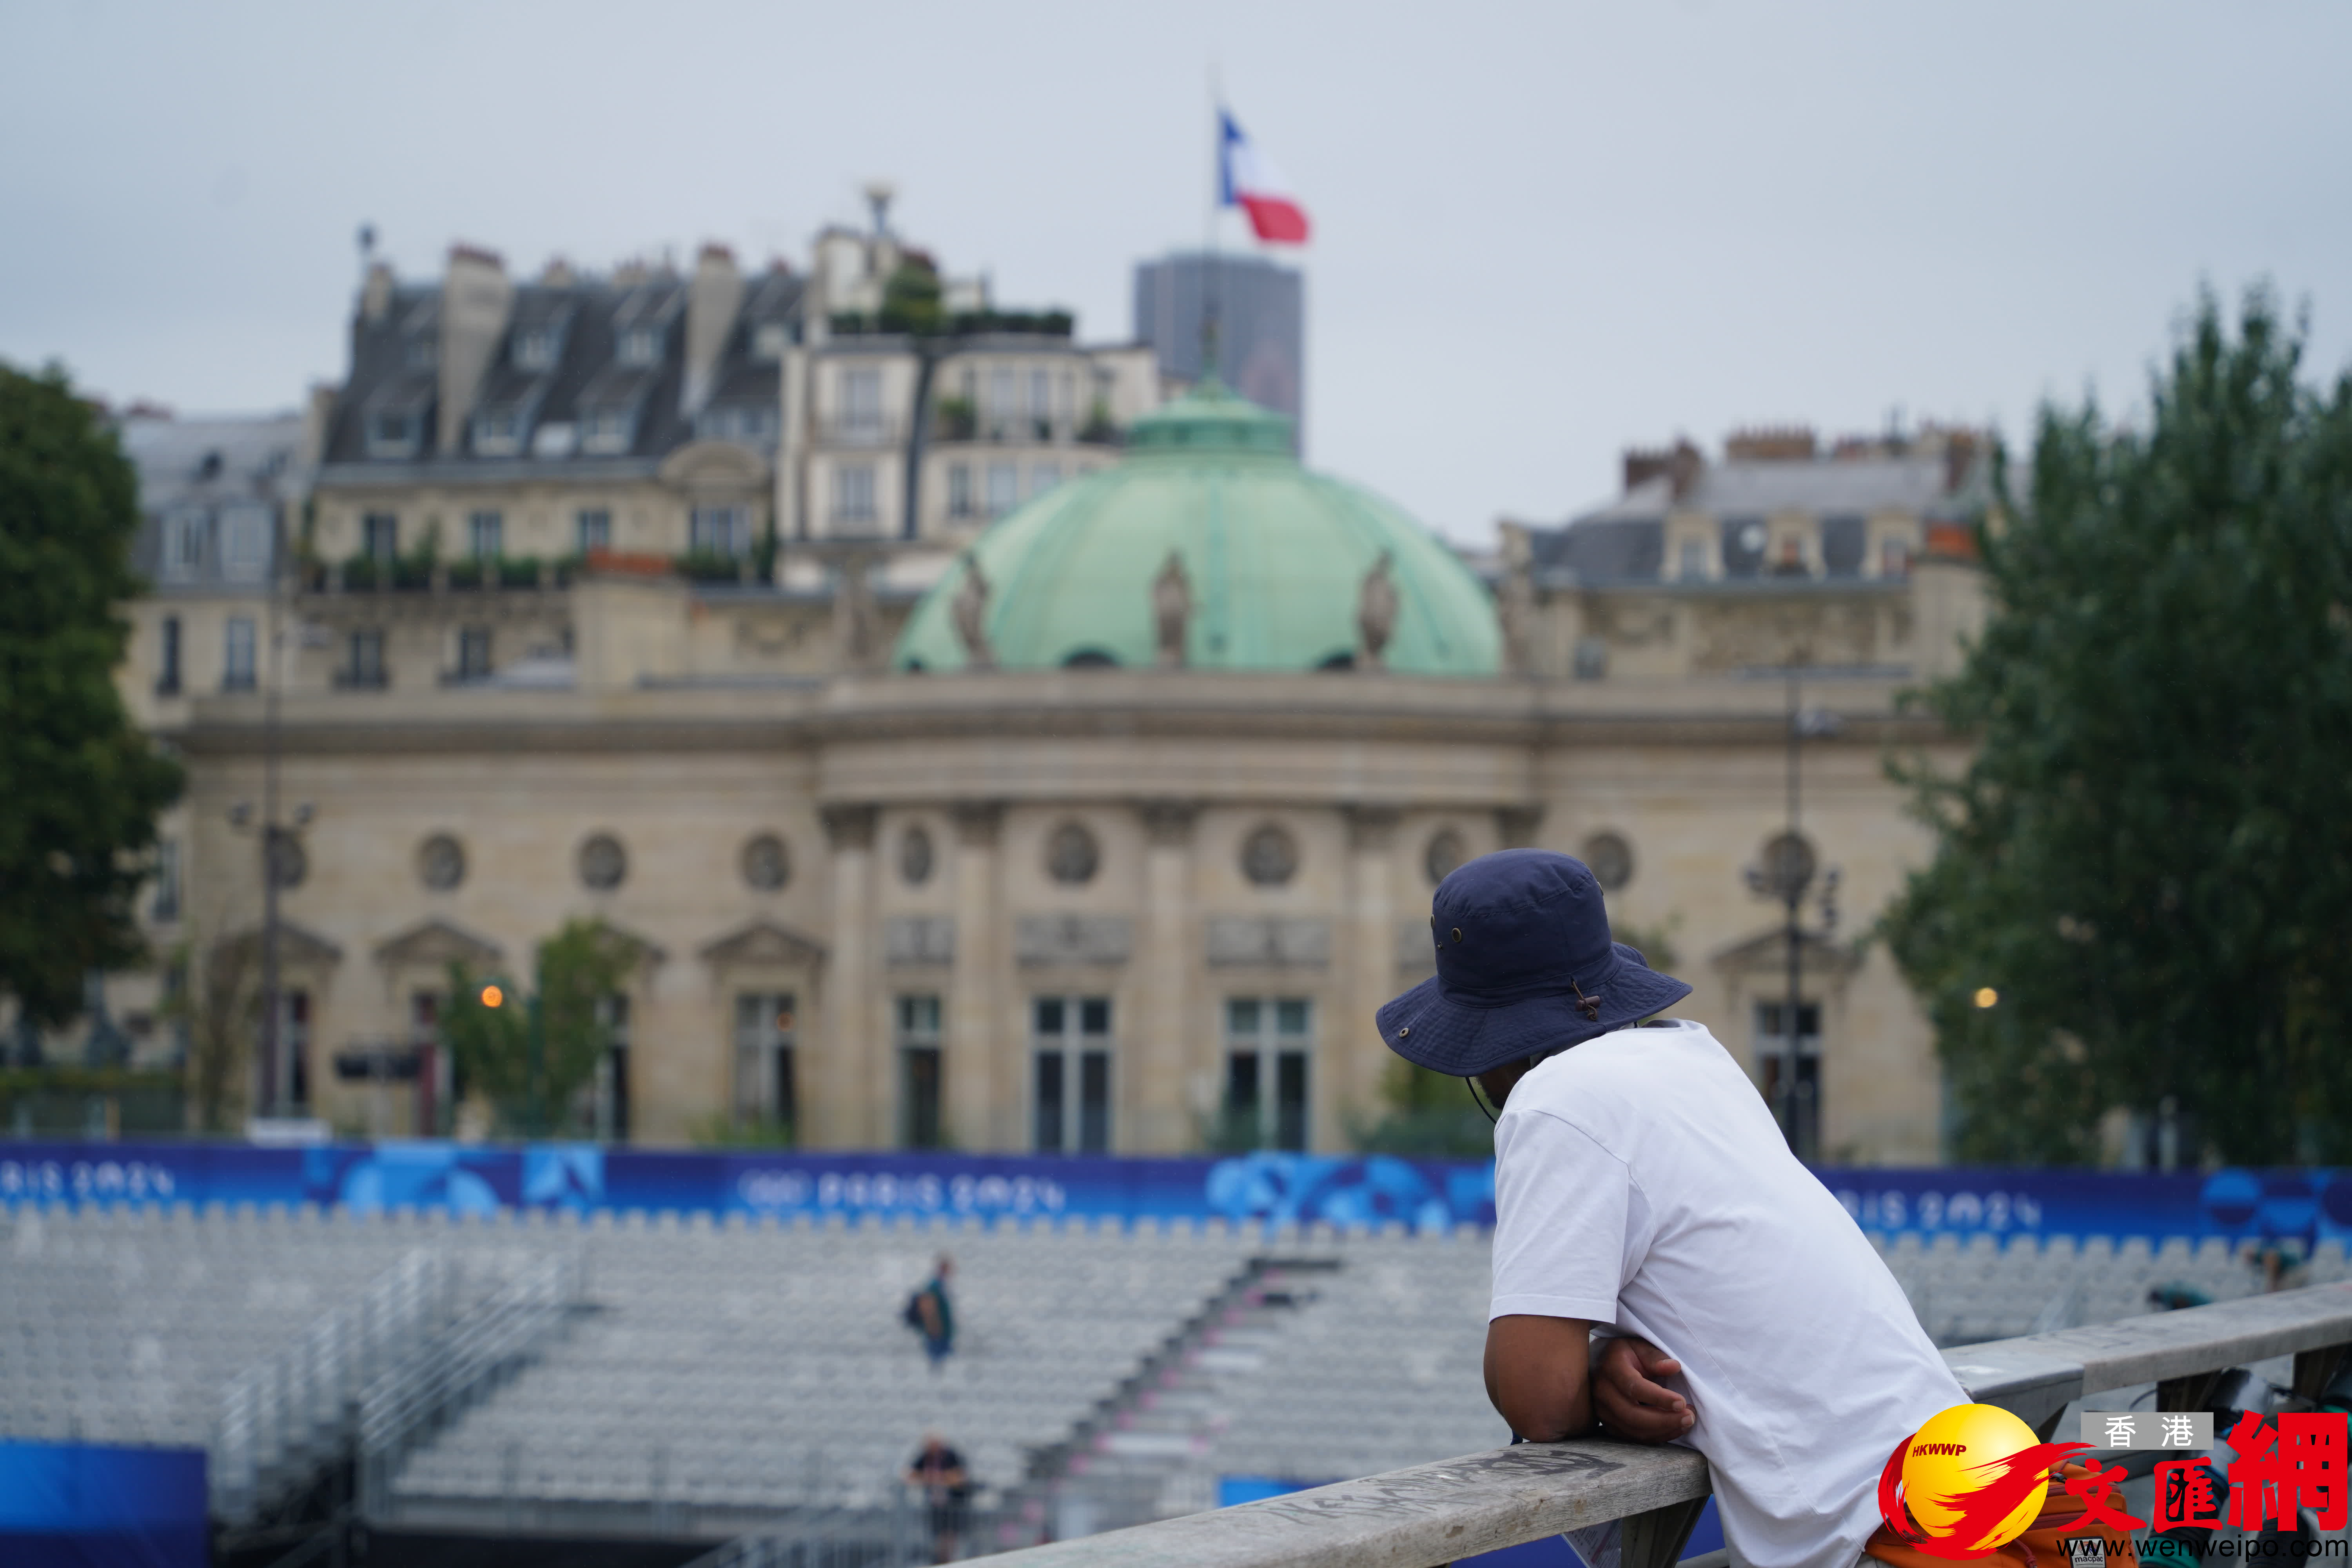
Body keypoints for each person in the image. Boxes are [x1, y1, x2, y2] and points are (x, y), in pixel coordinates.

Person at [1377, 849, 1965, 1568]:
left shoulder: (1556, 1102)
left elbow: (1537, 1398)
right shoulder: (1696, 1058)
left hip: (1897, 1545)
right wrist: (1602, 1359)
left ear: (1489, 1046)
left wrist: (1586, 1376)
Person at [904, 1432, 971, 1563]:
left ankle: (948, 1560)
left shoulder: (952, 1455)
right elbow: (909, 1475)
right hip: (935, 1506)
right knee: (938, 1538)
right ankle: (942, 1560)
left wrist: (940, 1478)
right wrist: (927, 1478)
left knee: (950, 1537)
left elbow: (961, 1477)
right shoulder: (925, 1457)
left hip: (954, 1505)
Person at [903, 1254, 956, 1363]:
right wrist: (935, 1331)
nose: (950, 1271)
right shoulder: (934, 1286)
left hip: (941, 1336)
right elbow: (928, 1309)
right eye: (948, 1268)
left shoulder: (940, 1285)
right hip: (937, 1337)